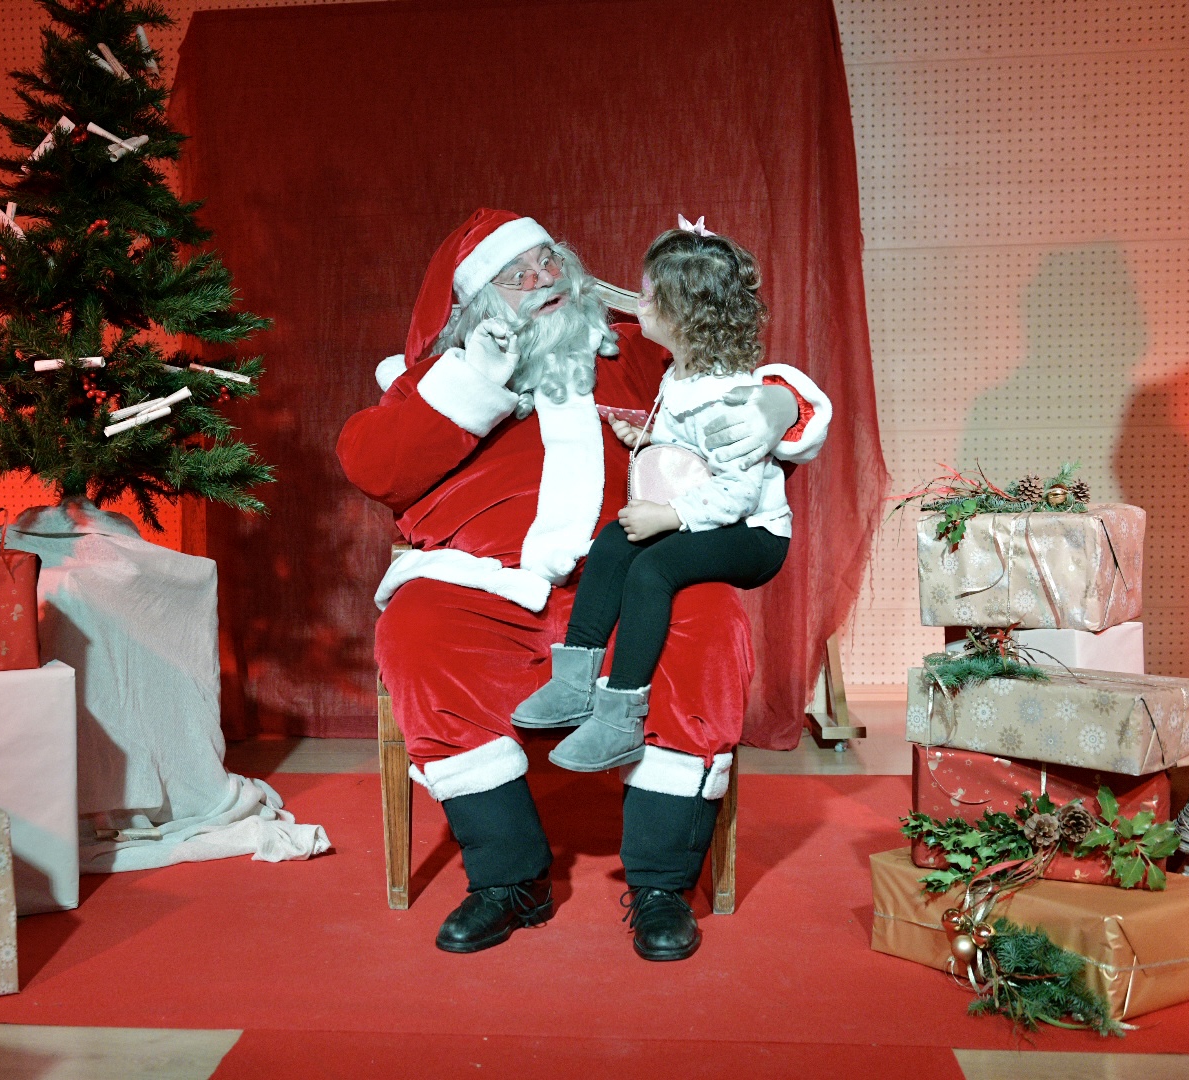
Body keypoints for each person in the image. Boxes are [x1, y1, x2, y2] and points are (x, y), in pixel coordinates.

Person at [336, 209, 830, 961]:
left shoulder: (638, 350)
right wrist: (477, 381)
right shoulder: (442, 379)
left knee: (707, 623)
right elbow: (373, 465)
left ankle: (662, 884)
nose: (542, 282)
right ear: (478, 305)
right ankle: (507, 879)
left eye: (548, 263)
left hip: (625, 575)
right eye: (516, 275)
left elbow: (734, 360)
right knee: (416, 633)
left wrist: (781, 404)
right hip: (483, 586)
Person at [513, 226, 793, 780]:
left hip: (754, 535)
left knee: (653, 570)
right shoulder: (683, 372)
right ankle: (574, 682)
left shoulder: (728, 399)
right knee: (614, 541)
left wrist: (668, 516)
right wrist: (639, 437)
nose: (635, 303)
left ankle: (621, 713)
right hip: (708, 510)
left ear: (683, 316)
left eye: (646, 297)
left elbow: (739, 493)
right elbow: (689, 452)